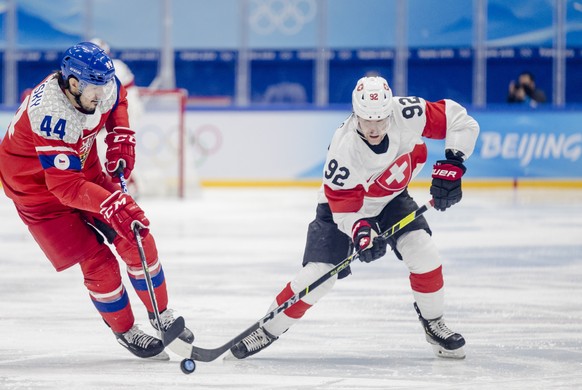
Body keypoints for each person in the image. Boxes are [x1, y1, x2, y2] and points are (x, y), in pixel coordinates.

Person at [230, 75, 480, 360]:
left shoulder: (409, 113)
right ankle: (268, 328)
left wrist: (453, 162)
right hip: (341, 209)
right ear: (355, 114)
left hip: (391, 198)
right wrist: (362, 234)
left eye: (380, 120)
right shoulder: (343, 148)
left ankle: (434, 323)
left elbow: (462, 122)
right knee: (320, 276)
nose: (374, 128)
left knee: (423, 250)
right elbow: (344, 207)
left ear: (389, 111)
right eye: (366, 120)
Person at [0, 42, 193, 359]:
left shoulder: (98, 82)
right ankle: (125, 330)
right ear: (72, 84)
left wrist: (121, 135)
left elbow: (117, 98)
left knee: (137, 235)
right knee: (98, 261)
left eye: (105, 84)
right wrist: (111, 204)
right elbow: (65, 187)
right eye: (95, 88)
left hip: (80, 168)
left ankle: (162, 314)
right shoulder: (50, 113)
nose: (102, 94)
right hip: (36, 192)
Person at [90, 38, 144, 196]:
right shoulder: (117, 65)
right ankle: (127, 184)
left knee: (113, 148)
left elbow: (107, 97)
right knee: (114, 148)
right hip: (127, 108)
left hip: (126, 110)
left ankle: (128, 184)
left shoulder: (110, 68)